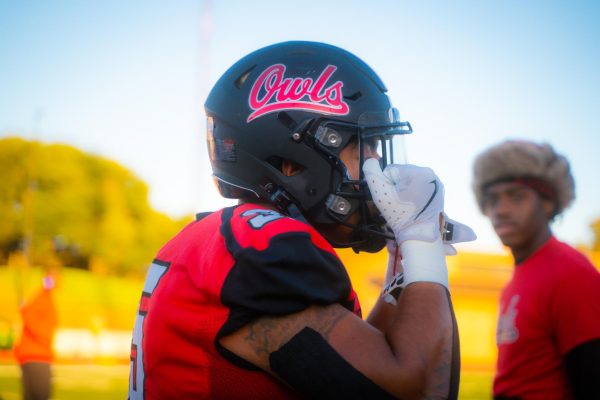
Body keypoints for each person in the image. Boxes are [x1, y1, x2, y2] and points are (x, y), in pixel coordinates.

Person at [128, 41, 475, 399]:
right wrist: (424, 245)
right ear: (291, 164)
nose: (379, 172)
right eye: (363, 150)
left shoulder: (225, 237)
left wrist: (402, 278)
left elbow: (353, 361)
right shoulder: (267, 249)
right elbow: (409, 388)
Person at [472, 140, 600, 400]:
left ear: (547, 202)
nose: (501, 210)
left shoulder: (570, 274)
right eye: (492, 199)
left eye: (516, 197)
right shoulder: (514, 282)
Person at [13, 274, 58, 400]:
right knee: (41, 395)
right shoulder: (43, 299)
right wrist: (46, 338)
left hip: (32, 356)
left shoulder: (42, 299)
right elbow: (33, 323)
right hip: (37, 356)